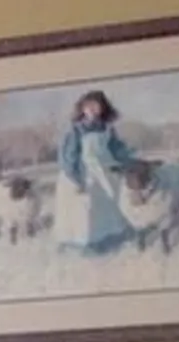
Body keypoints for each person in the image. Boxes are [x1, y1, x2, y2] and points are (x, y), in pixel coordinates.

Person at [55, 90, 141, 253]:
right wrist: (75, 179)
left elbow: (116, 149)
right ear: (82, 109)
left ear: (103, 108)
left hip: (104, 171)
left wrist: (129, 159)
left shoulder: (107, 129)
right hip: (82, 174)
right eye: (88, 106)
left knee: (111, 203)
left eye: (96, 105)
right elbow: (68, 156)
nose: (92, 109)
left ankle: (110, 239)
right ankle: (86, 244)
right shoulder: (76, 130)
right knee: (86, 208)